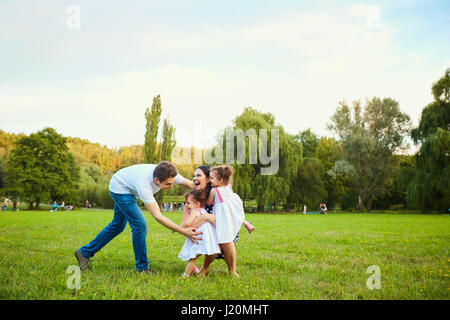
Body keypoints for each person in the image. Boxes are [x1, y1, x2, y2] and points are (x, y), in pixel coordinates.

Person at [74, 161, 201, 275]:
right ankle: (142, 269)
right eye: (168, 184)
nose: (171, 186)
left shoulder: (169, 173)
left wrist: (207, 189)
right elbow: (158, 216)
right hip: (120, 189)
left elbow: (190, 184)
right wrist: (183, 231)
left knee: (117, 226)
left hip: (126, 184)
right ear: (156, 180)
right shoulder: (144, 185)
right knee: (139, 225)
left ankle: (84, 252)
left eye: (172, 183)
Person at [202, 165, 245, 277]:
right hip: (228, 220)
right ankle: (232, 270)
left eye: (211, 178)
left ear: (220, 180)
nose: (209, 181)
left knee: (221, 244)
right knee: (226, 244)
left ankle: (204, 269)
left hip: (221, 220)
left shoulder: (214, 190)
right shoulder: (229, 188)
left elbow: (208, 202)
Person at [178, 189, 219, 278]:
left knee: (192, 258)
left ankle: (186, 275)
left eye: (188, 203)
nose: (186, 205)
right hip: (207, 238)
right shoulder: (204, 211)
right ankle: (195, 271)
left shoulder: (194, 211)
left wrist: (178, 228)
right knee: (194, 256)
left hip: (199, 238)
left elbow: (188, 223)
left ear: (197, 204)